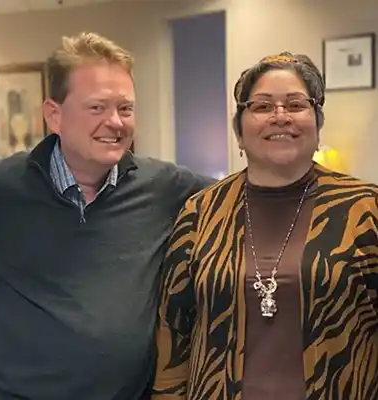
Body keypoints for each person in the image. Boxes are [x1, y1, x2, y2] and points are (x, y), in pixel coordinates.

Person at [0, 32, 213, 400]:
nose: (116, 122)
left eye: (126, 108)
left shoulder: (163, 186)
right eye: (97, 107)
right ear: (54, 115)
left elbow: (238, 198)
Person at [152, 52, 378, 400]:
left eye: (296, 104)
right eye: (261, 106)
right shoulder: (201, 211)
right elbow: (174, 329)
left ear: (318, 123)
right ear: (238, 131)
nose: (280, 117)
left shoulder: (365, 208)